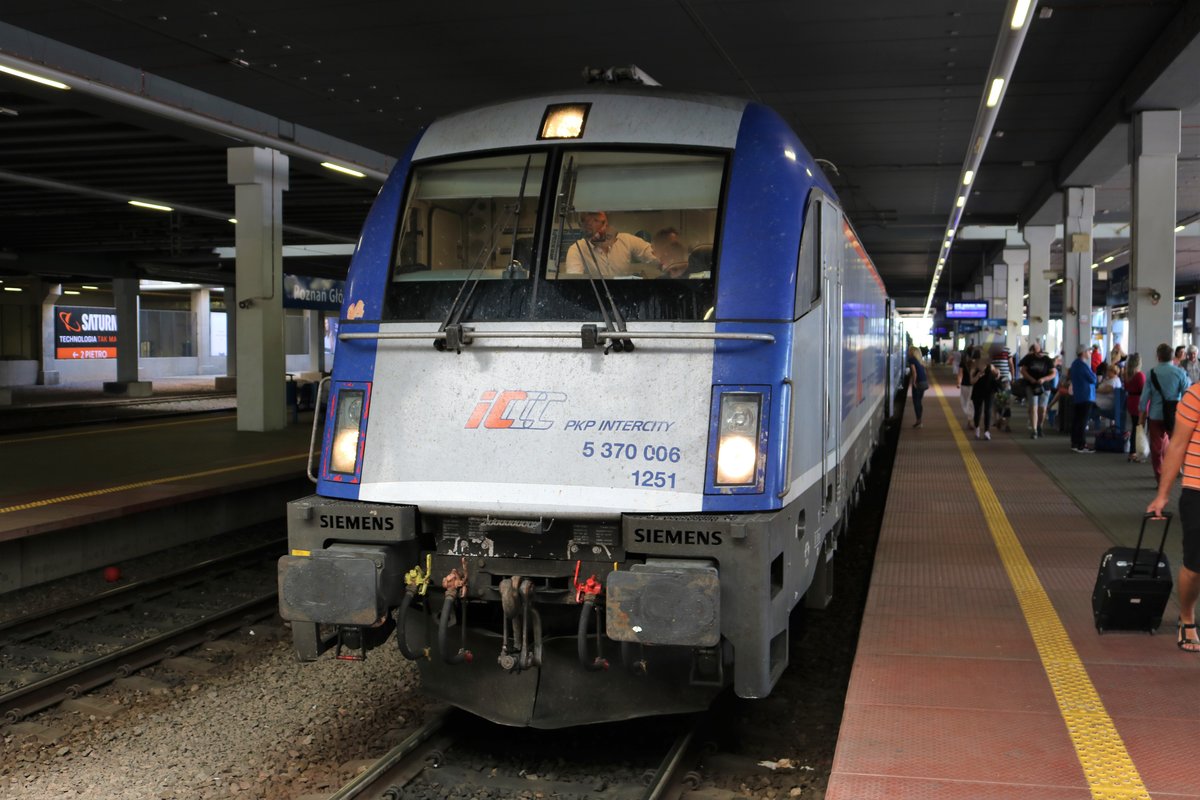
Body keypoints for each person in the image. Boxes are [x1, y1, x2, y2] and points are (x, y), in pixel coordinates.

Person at [1145, 380, 1200, 653]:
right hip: (1197, 490)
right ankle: (1187, 616)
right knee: (1195, 566)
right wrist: (1162, 494)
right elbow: (1177, 446)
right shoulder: (1195, 395)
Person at [1142, 342, 1191, 482]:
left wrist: (1141, 415)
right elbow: (1187, 396)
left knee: (1156, 449)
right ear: (1172, 357)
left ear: (1158, 357)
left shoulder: (1151, 373)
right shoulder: (1180, 373)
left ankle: (1160, 477)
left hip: (1155, 416)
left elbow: (1145, 398)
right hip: (1175, 416)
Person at [563, 211, 658, 277]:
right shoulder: (576, 250)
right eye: (592, 226)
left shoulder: (627, 240)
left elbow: (656, 255)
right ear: (584, 228)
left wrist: (665, 260)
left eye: (602, 223)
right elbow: (574, 281)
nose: (601, 230)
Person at [1018, 341, 1055, 438]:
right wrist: (1031, 379)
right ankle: (1034, 430)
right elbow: (1023, 370)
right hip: (1031, 386)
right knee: (1033, 407)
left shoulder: (1047, 360)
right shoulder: (1029, 358)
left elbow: (1053, 373)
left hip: (1045, 387)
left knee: (1042, 409)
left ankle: (1039, 426)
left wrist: (1044, 379)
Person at [1069, 344, 1098, 453]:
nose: (1090, 353)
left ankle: (1075, 443)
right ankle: (1082, 445)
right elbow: (1093, 379)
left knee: (1077, 420)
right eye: (1088, 351)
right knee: (1082, 421)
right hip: (1086, 396)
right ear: (1083, 352)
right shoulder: (1083, 365)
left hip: (1078, 396)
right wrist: (1094, 375)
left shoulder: (1074, 364)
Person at [970, 348, 999, 441]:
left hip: (989, 391)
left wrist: (997, 374)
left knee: (988, 410)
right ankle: (977, 429)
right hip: (977, 391)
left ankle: (987, 431)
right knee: (978, 411)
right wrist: (978, 375)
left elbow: (997, 374)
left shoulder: (990, 366)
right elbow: (972, 381)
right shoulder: (974, 367)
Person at [1124, 353, 1146, 462]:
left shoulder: (1127, 375)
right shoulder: (1140, 375)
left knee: (1135, 427)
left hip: (1131, 401)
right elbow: (1144, 389)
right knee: (1139, 428)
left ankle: (1132, 452)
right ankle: (1135, 452)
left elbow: (1126, 387)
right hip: (1139, 402)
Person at [907, 346, 928, 428]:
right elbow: (924, 372)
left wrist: (914, 382)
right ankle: (919, 420)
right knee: (919, 401)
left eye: (909, 351)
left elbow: (914, 372)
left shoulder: (912, 360)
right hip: (924, 382)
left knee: (916, 402)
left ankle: (919, 421)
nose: (908, 352)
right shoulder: (920, 360)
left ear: (912, 352)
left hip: (918, 382)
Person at [957, 344, 975, 428]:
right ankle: (970, 419)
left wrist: (958, 383)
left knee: (965, 402)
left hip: (965, 385)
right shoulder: (977, 362)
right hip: (974, 384)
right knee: (971, 402)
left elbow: (960, 374)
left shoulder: (963, 361)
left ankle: (970, 419)